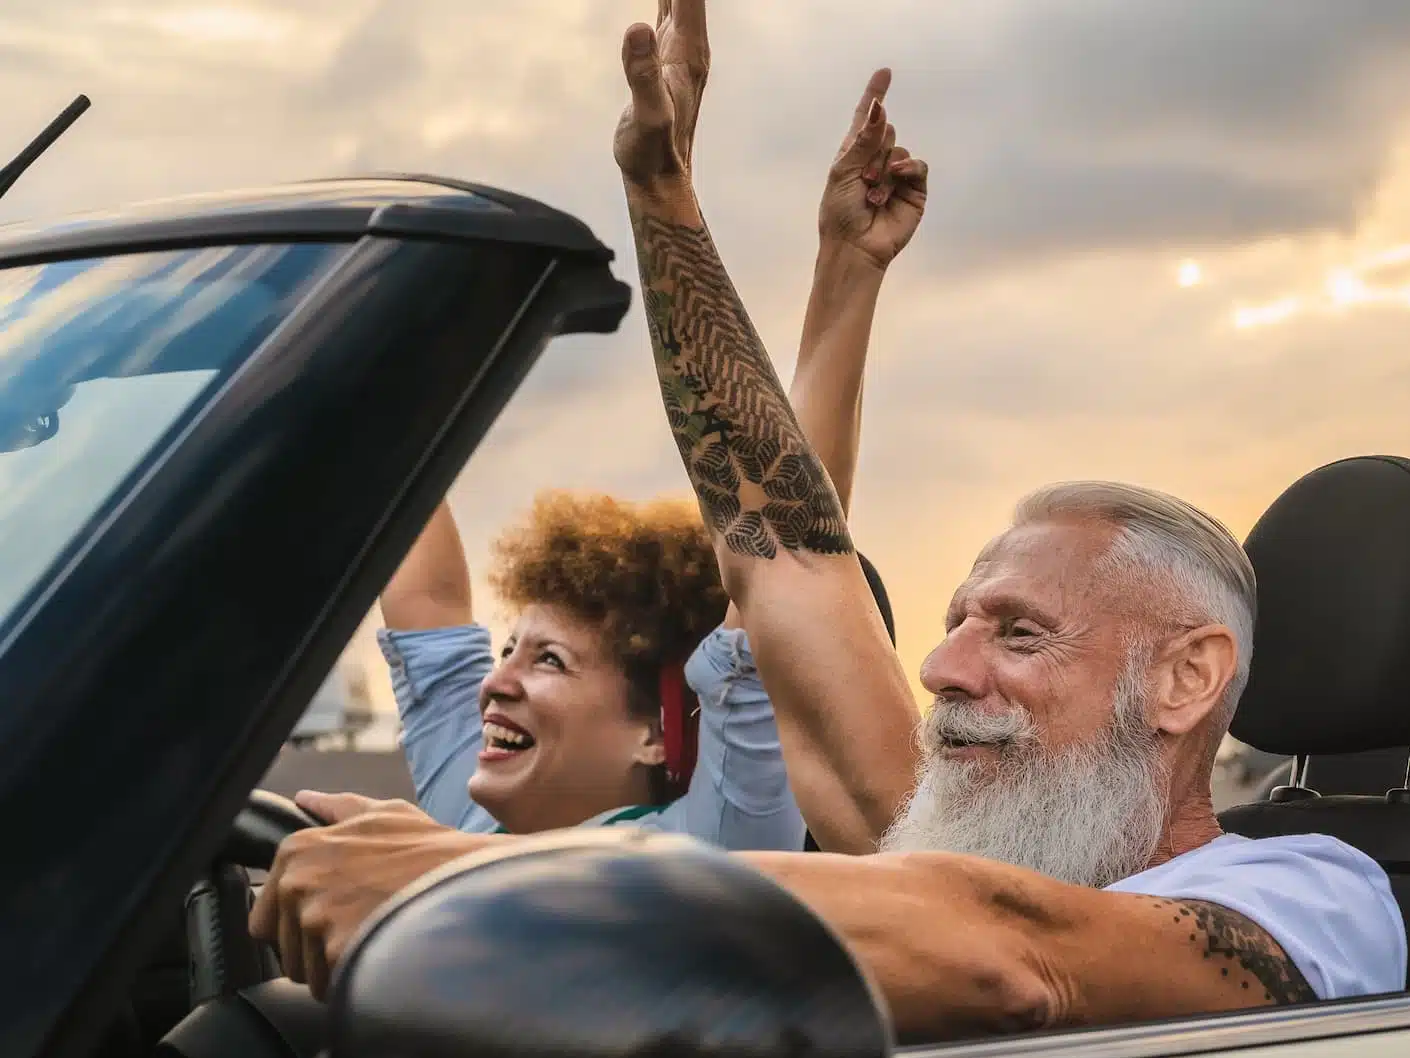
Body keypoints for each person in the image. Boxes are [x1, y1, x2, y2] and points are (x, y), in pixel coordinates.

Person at [256, 0, 1405, 1039]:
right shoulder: (925, 841)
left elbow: (1007, 949)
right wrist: (664, 197)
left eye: (1016, 634)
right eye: (959, 622)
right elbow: (786, 561)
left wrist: (470, 882)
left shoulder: (1310, 895)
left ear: (1184, 678)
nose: (943, 665)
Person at [252, 52, 929, 993]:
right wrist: (332, 339)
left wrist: (845, 270)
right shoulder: (468, 805)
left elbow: (782, 540)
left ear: (659, 734)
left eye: (548, 661)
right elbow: (428, 594)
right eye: (512, 649)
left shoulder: (721, 839)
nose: (496, 684)